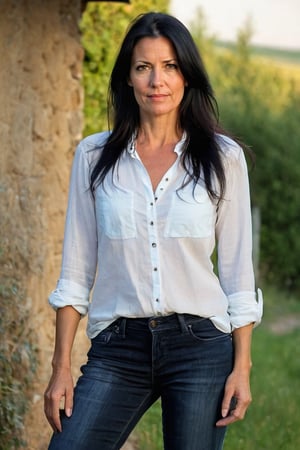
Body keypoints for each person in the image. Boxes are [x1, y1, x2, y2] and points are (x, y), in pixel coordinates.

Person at [44, 11, 263, 450]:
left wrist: (242, 368)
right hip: (118, 347)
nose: (156, 81)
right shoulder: (93, 157)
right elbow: (75, 272)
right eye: (143, 67)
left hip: (201, 345)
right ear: (128, 77)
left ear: (186, 75)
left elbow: (238, 276)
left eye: (169, 66)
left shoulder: (224, 158)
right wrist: (61, 367)